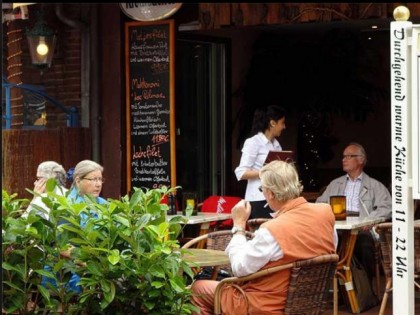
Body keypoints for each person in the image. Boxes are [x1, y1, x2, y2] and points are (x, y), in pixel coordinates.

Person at [191, 160, 337, 314]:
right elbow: (329, 249)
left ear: (271, 194)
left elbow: (239, 269)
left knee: (198, 288)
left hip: (262, 305)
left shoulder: (273, 230)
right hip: (308, 301)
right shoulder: (325, 213)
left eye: (262, 189)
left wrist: (239, 225)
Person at [316, 142, 392, 282]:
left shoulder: (375, 185)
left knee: (364, 244)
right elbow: (319, 204)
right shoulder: (334, 184)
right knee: (322, 243)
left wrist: (369, 221)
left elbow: (387, 207)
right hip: (337, 229)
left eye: (349, 156)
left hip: (362, 230)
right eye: (343, 156)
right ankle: (335, 291)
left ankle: (364, 291)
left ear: (361, 160)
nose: (344, 159)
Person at [42, 159, 107, 293]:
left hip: (97, 267)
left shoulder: (104, 205)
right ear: (78, 181)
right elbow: (62, 247)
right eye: (93, 179)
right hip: (67, 271)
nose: (98, 184)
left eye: (100, 179)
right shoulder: (65, 206)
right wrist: (89, 264)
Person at [234, 105, 287, 219]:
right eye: (282, 123)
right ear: (272, 123)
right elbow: (241, 173)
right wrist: (265, 172)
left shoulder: (277, 145)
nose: (284, 126)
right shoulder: (253, 142)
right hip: (257, 199)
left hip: (275, 198)